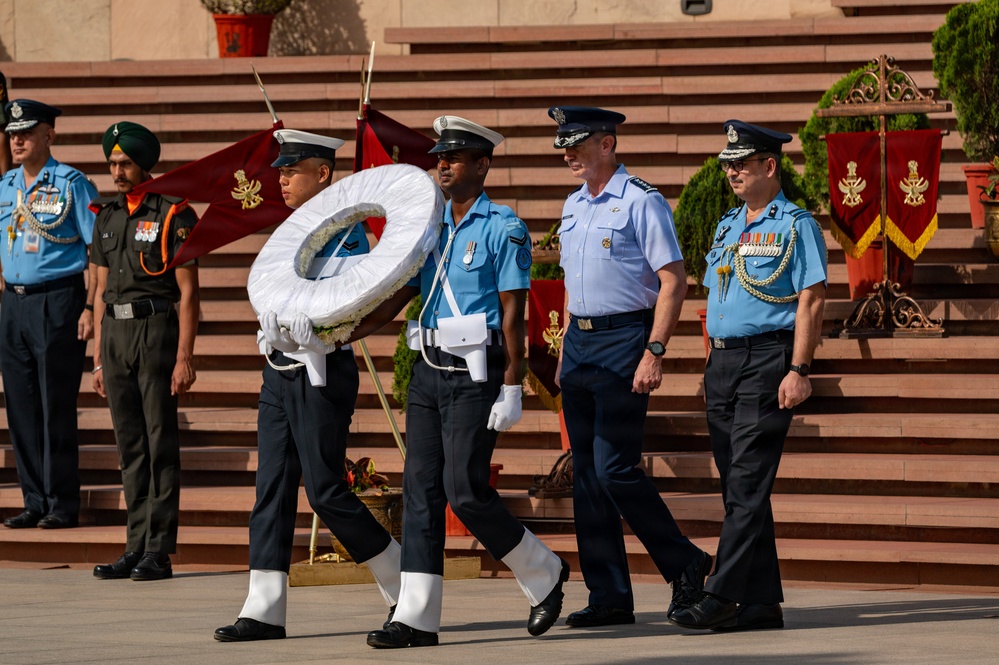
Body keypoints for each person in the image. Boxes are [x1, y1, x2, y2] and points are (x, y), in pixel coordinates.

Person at [355, 116, 569, 649]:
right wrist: (343, 331)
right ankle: (416, 618)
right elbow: (402, 293)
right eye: (439, 159)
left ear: (482, 164)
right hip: (428, 370)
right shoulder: (429, 227)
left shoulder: (502, 226)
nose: (442, 166)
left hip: (477, 371)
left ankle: (543, 569)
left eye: (453, 158)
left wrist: (513, 384)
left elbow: (513, 311)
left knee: (465, 491)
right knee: (419, 491)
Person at [214, 129, 402, 642]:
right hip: (279, 369)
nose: (282, 180)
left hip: (321, 370)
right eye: (280, 171)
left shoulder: (349, 236)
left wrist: (316, 323)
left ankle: (401, 582)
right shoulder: (288, 234)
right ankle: (264, 608)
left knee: (325, 491)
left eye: (292, 171)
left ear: (323, 174)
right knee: (271, 488)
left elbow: (349, 300)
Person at [548, 106, 714, 628]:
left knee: (615, 468)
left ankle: (685, 564)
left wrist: (655, 349)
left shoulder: (642, 200)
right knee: (586, 475)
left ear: (607, 143)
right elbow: (573, 283)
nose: (568, 155)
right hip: (580, 341)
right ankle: (609, 595)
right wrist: (565, 345)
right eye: (563, 147)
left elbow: (674, 279)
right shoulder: (573, 204)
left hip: (625, 339)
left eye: (577, 145)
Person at [670, 120, 826, 632]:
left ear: (769, 166)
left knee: (746, 481)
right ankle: (761, 601)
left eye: (741, 163)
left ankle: (721, 594)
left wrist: (799, 368)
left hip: (767, 359)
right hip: (723, 363)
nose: (732, 172)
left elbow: (812, 299)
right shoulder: (728, 225)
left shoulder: (796, 225)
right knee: (739, 485)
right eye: (728, 165)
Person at [90, 122, 200, 581]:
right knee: (129, 445)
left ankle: (159, 550)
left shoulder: (173, 212)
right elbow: (99, 289)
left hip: (155, 330)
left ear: (144, 165)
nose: (118, 171)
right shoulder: (106, 216)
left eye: (126, 163)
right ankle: (134, 545)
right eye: (112, 163)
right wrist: (98, 358)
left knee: (159, 443)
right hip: (114, 334)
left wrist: (184, 356)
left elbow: (189, 292)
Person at [0, 99, 97, 530]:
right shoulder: (6, 185)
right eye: (12, 134)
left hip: (57, 300)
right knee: (20, 405)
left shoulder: (72, 184)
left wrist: (91, 305)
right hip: (14, 302)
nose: (17, 141)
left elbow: (98, 251)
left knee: (54, 403)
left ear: (49, 135)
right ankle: (33, 500)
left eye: (26, 133)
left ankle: (61, 501)